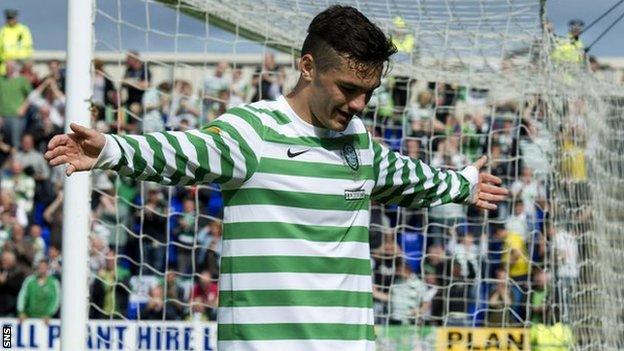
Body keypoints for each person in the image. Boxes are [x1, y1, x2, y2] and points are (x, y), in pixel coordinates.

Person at [45, 5, 507, 350]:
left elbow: (407, 177)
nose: (359, 105)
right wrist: (112, 149)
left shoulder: (359, 143)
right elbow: (187, 151)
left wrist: (463, 183)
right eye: (348, 89)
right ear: (307, 67)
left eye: (369, 93)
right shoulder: (254, 131)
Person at [17, 259, 61, 323]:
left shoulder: (53, 282)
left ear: (47, 268)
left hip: (46, 320)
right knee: (7, 331)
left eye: (43, 267)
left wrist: (49, 314)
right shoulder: (30, 280)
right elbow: (22, 296)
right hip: (29, 318)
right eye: (40, 267)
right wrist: (21, 312)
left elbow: (56, 300)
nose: (41, 269)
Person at [0, 9, 33, 76]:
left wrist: (19, 60)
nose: (11, 20)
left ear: (16, 18)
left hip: (20, 64)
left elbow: (27, 46)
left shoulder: (23, 30)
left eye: (12, 18)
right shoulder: (3, 31)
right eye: (9, 18)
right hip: (5, 64)